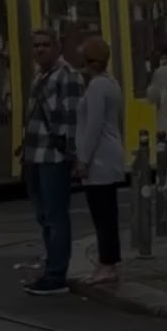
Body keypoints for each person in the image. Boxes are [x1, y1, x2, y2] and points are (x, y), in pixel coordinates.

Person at [22, 27, 84, 295]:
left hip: (54, 158)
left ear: (57, 48)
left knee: (56, 217)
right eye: (36, 45)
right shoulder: (41, 76)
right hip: (34, 156)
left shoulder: (67, 77)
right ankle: (51, 268)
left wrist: (72, 157)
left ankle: (57, 274)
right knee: (44, 216)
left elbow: (72, 121)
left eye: (45, 45)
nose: (40, 49)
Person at [74, 36, 125, 284]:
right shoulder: (111, 83)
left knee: (102, 216)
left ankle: (107, 266)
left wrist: (83, 160)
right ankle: (108, 264)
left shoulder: (96, 87)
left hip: (100, 160)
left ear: (90, 62)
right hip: (109, 155)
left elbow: (92, 126)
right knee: (107, 214)